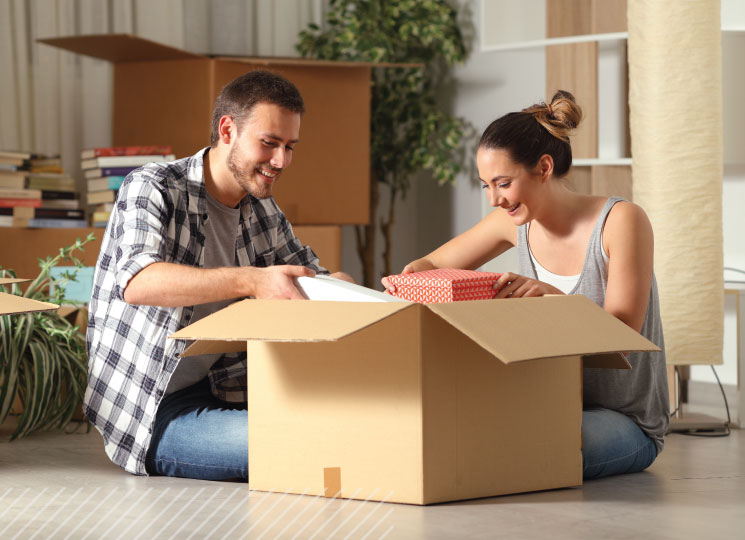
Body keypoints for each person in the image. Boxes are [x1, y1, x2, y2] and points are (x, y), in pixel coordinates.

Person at [384, 90, 669, 480]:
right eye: (485, 185)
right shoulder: (514, 223)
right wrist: (412, 277)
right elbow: (433, 263)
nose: (494, 200)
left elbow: (622, 336)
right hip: (548, 402)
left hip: (625, 419)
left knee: (514, 448)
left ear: (544, 167)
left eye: (502, 183)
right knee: (455, 431)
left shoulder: (621, 222)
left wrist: (554, 300)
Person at [86, 70, 352, 480]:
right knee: (301, 444)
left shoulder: (264, 210)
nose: (281, 161)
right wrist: (251, 280)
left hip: (227, 391)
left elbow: (309, 276)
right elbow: (138, 283)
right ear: (227, 130)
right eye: (269, 144)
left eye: (289, 147)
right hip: (153, 408)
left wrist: (339, 286)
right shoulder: (152, 186)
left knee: (355, 424)